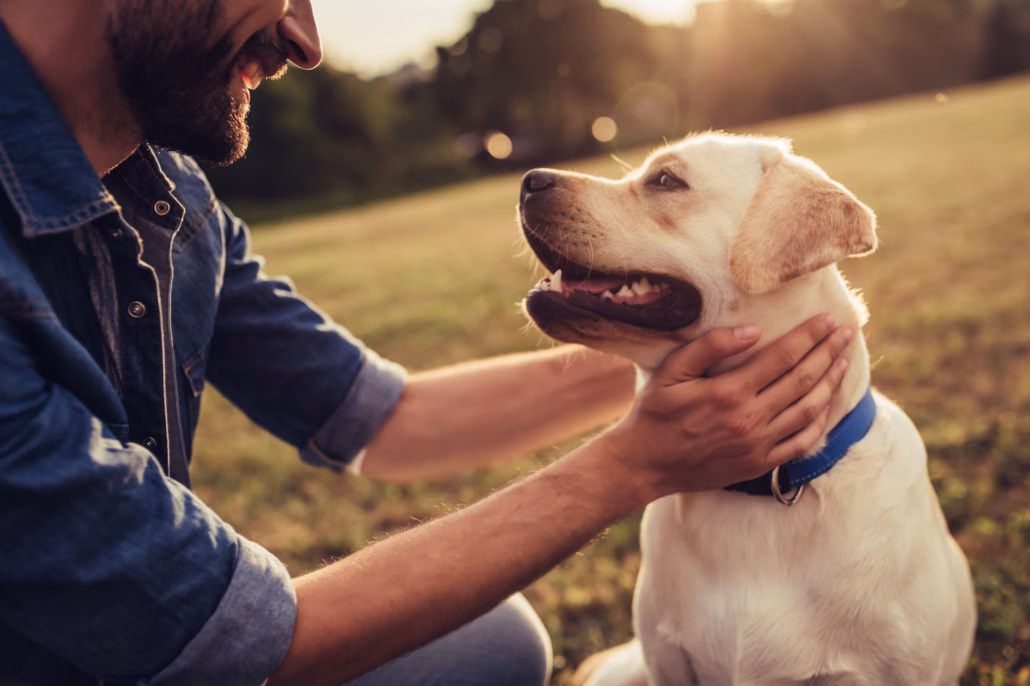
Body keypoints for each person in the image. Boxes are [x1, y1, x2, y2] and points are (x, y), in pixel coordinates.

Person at [0, 1, 854, 685]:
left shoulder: (170, 201)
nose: (305, 39)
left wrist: (703, 348)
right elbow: (225, 643)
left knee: (489, 645)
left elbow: (388, 418)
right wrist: (635, 463)